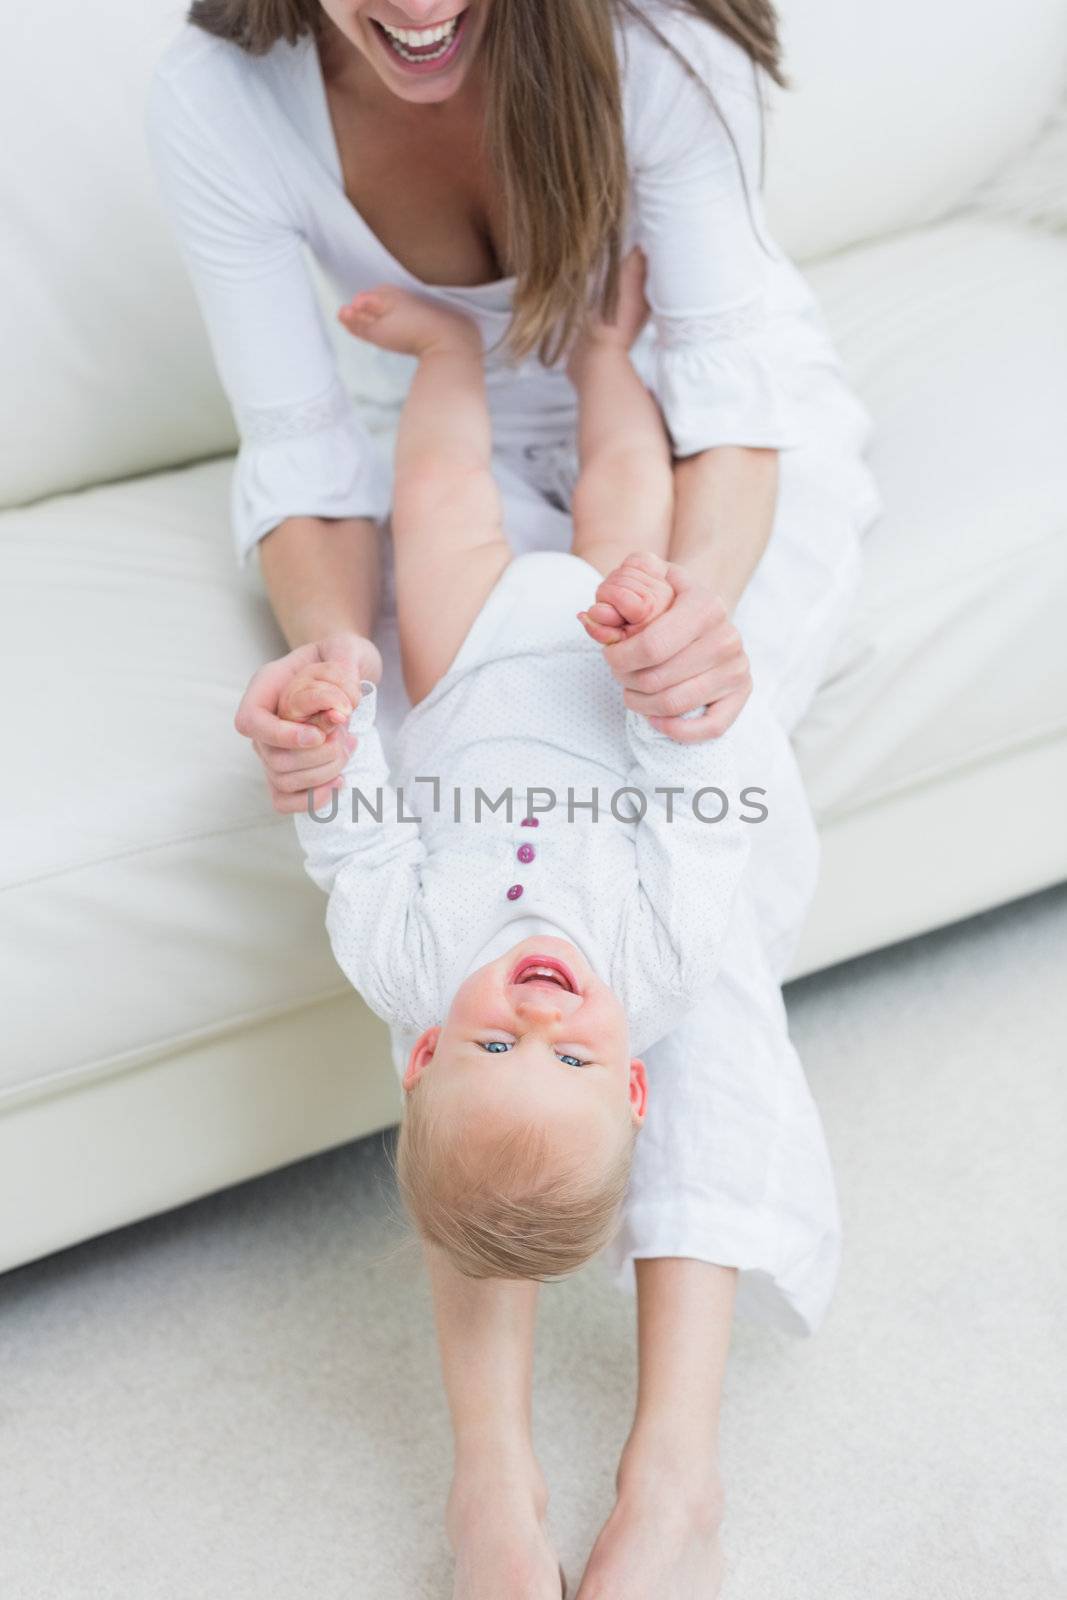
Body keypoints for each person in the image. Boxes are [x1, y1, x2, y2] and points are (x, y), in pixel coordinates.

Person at [145, 0, 884, 1593]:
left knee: (703, 909)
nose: (415, 11)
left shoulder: (655, 53)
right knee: (626, 943)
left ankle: (668, 1470)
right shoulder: (222, 102)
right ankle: (496, 1472)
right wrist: (334, 675)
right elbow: (302, 459)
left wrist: (678, 634)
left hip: (693, 455)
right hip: (434, 476)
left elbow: (731, 411)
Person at [281, 261, 752, 1282]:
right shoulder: (662, 968)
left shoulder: (403, 968)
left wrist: (335, 730)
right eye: (572, 1058)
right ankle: (599, 352)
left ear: (423, 1055)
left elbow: (359, 843)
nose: (540, 1021)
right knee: (628, 481)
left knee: (437, 499)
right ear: (630, 1084)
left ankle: (446, 351)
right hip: (604, 675)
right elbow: (696, 819)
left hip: (466, 670)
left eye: (494, 1049)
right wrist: (661, 686)